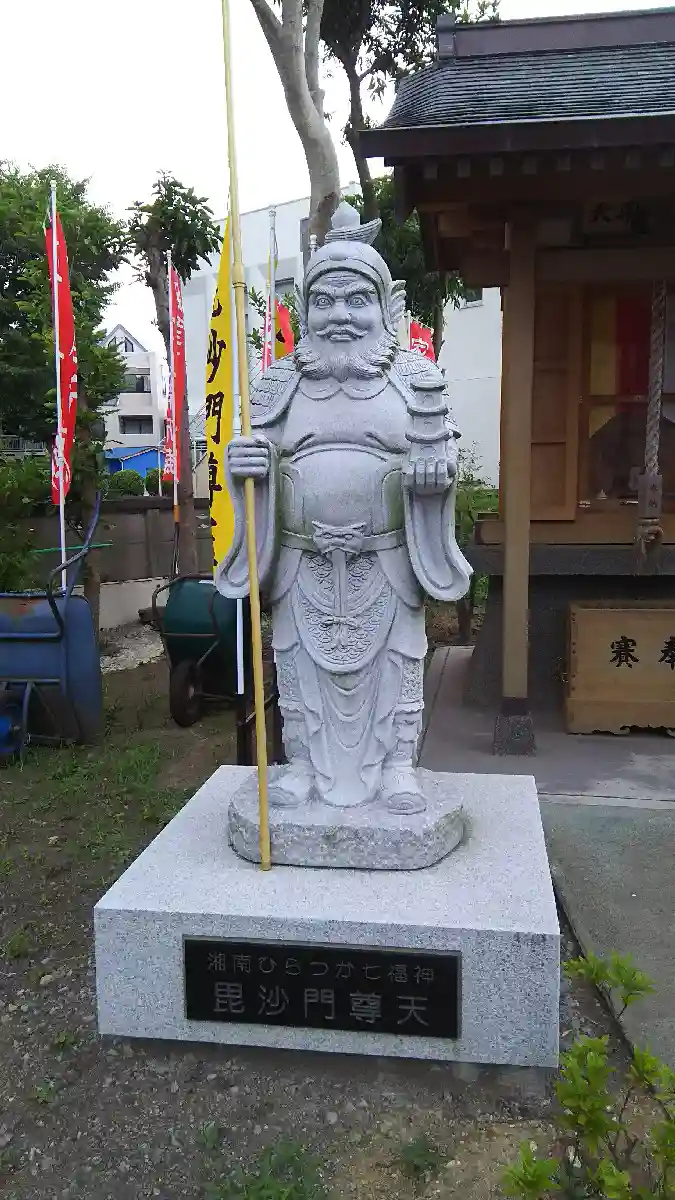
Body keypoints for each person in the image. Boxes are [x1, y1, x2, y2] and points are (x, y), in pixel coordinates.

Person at [216, 202, 471, 813]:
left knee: (399, 661)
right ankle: (301, 766)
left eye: (357, 300)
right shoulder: (278, 385)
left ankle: (397, 768)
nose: (340, 315)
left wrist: (434, 476)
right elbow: (256, 460)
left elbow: (440, 454)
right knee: (296, 662)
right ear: (304, 310)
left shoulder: (413, 380)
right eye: (324, 301)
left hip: (384, 560)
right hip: (301, 562)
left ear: (384, 307)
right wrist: (242, 463)